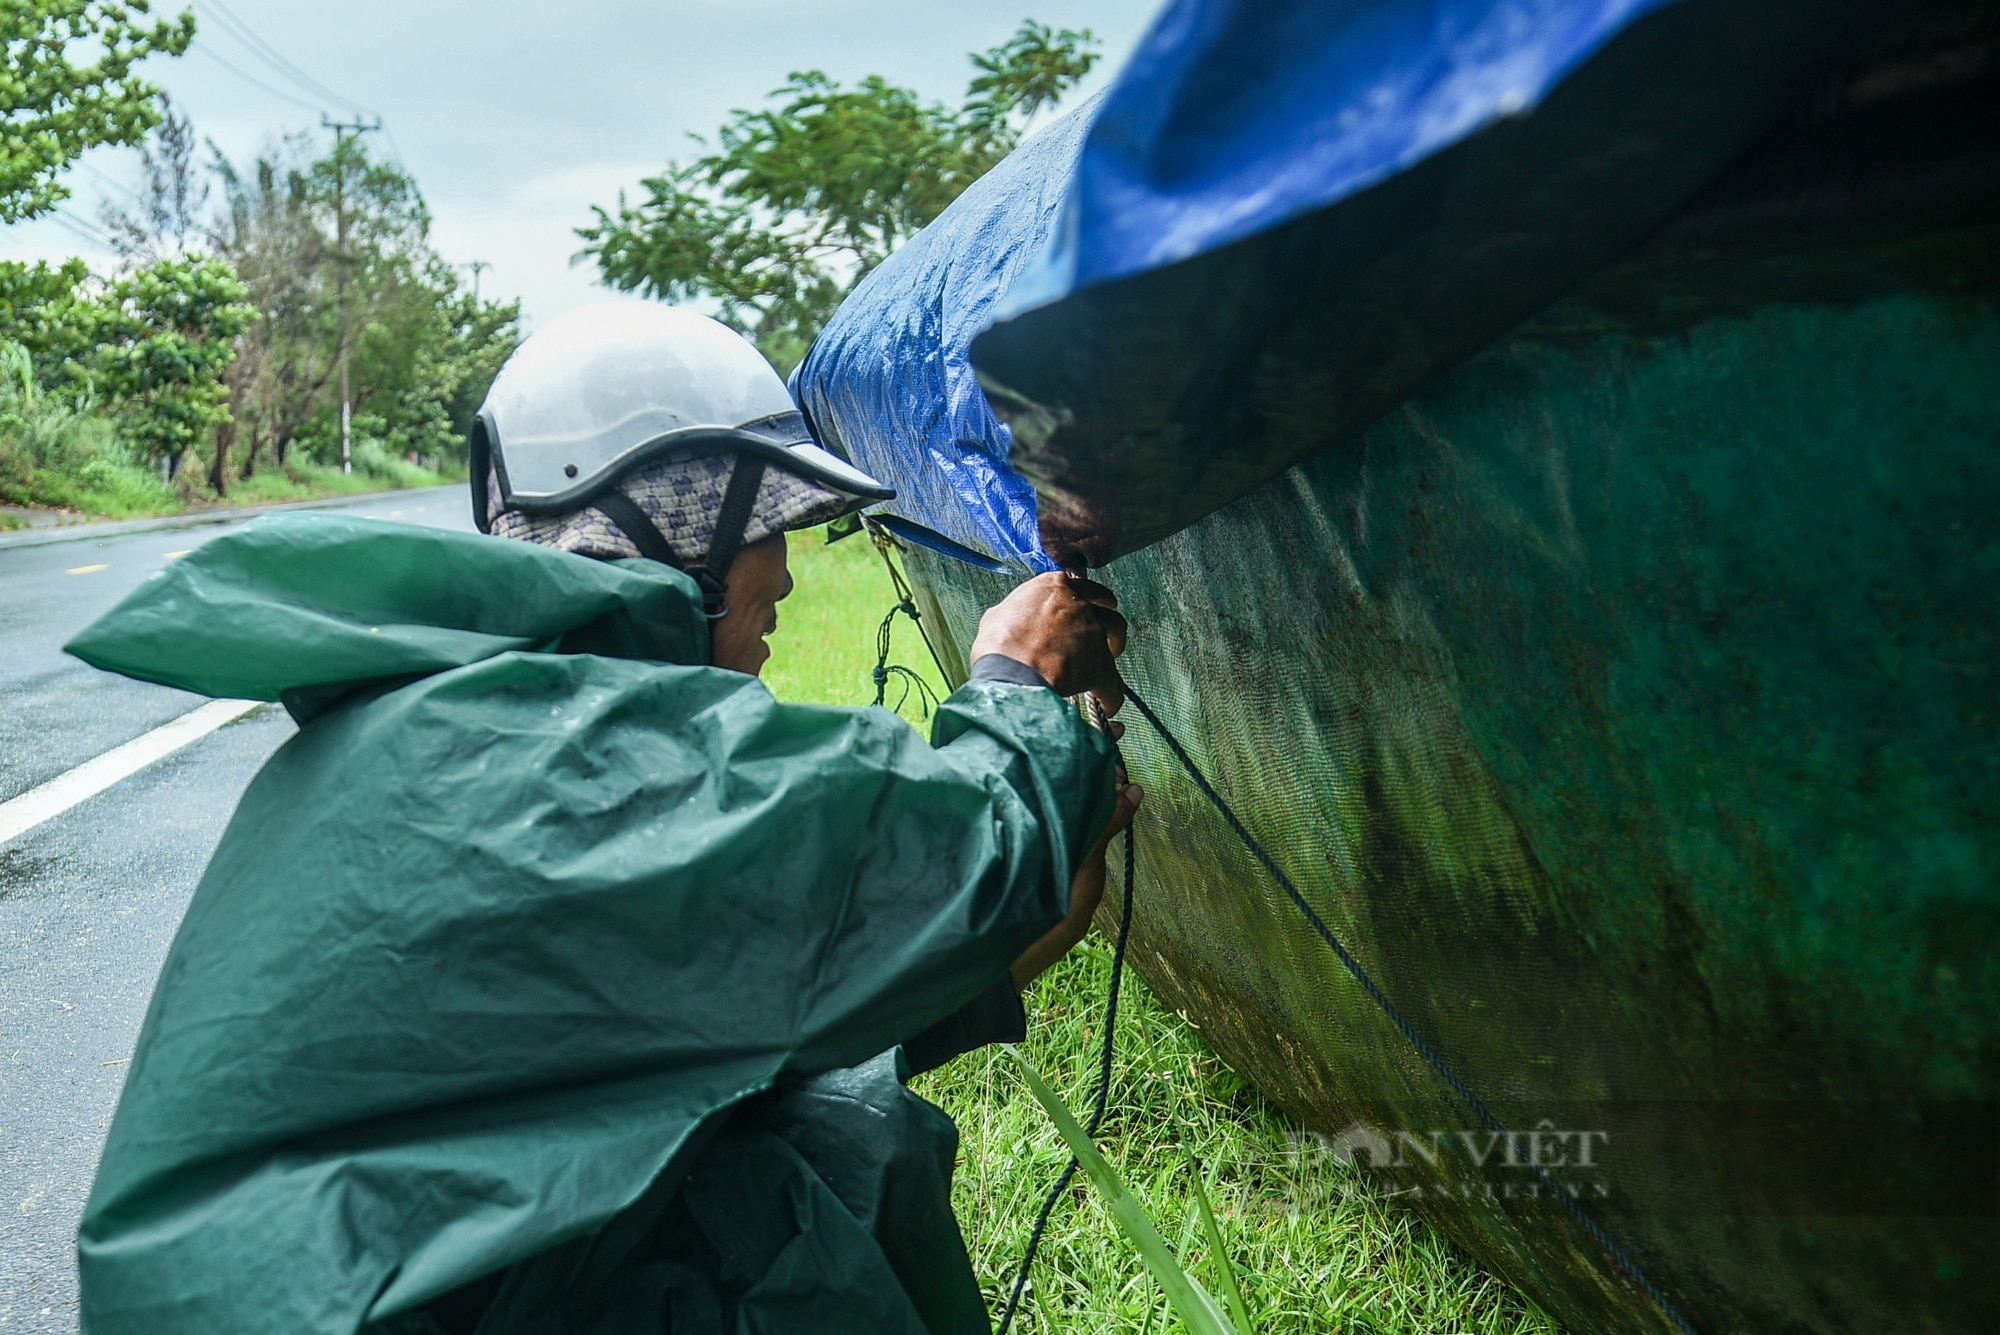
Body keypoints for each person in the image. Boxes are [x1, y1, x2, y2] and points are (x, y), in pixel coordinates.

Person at [65, 301, 1139, 1335]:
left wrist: (1001, 942)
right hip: (359, 1304)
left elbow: (697, 1013)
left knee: (797, 1120)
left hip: (377, 1286)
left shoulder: (485, 711)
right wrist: (1015, 673)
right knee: (821, 1171)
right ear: (684, 524)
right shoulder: (572, 754)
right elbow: (965, 852)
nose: (787, 575)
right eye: (765, 522)